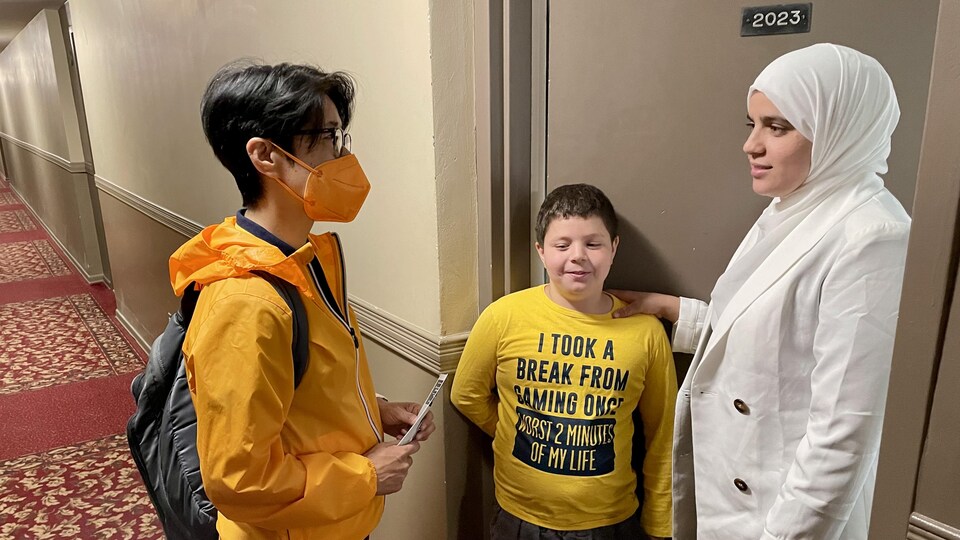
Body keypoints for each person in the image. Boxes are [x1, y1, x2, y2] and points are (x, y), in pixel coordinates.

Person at [612, 43, 911, 539]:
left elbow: (843, 435)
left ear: (838, 129)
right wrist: (672, 312)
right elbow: (775, 332)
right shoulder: (794, 205)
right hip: (738, 503)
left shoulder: (873, 235)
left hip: (781, 519)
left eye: (778, 127)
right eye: (752, 124)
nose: (751, 145)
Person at [168, 61, 434, 539]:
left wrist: (375, 411)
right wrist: (367, 476)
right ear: (265, 156)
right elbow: (239, 480)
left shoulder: (301, 260)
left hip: (331, 522)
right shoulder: (247, 304)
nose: (341, 156)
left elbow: (298, 397)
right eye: (328, 137)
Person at [452, 184, 676, 540]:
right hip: (517, 518)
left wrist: (661, 523)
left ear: (613, 248)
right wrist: (511, 432)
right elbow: (466, 393)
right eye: (562, 245)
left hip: (609, 522)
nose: (578, 256)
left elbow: (664, 433)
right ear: (541, 251)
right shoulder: (504, 316)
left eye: (593, 243)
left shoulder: (645, 333)